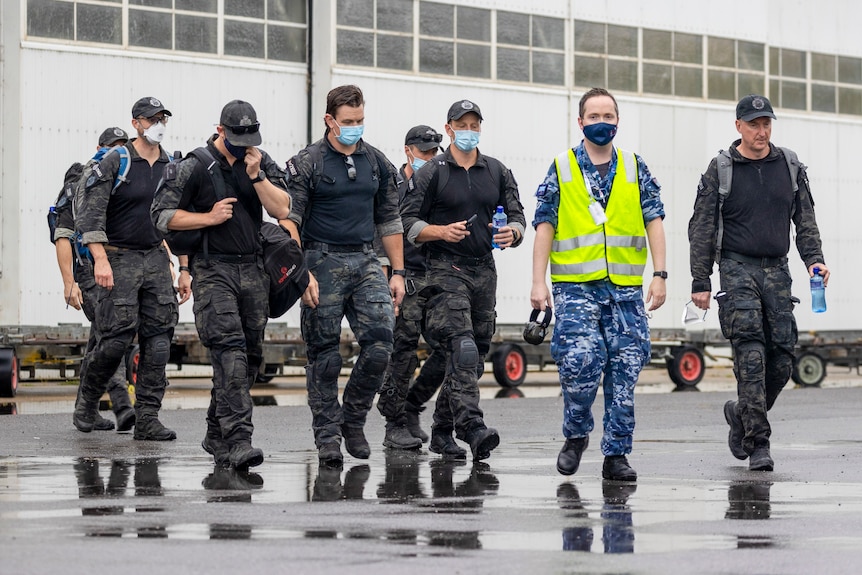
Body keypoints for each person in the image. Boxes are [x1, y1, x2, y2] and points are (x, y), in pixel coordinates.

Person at [530, 87, 667, 481]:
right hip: (575, 288)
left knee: (625, 369)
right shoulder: (562, 167)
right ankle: (576, 434)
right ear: (580, 122)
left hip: (625, 290)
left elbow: (653, 219)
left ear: (618, 121)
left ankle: (616, 456)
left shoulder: (634, 166)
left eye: (609, 115)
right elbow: (545, 226)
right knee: (580, 362)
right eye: (594, 116)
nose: (602, 122)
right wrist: (538, 283)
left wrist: (659, 275)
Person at [688, 94, 828, 472]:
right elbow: (701, 228)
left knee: (782, 359)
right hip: (736, 269)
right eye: (754, 124)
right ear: (739, 127)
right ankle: (759, 444)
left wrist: (815, 261)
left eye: (766, 123)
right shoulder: (722, 168)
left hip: (778, 271)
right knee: (750, 356)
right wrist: (700, 280)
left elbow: (805, 219)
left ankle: (741, 413)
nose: (761, 131)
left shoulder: (790, 165)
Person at [152, 100, 291, 470]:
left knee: (251, 361)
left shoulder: (259, 161)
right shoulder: (194, 166)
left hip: (253, 271)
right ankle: (238, 439)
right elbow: (161, 216)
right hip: (213, 272)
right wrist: (207, 217)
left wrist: (258, 176)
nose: (243, 143)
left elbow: (283, 209)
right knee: (229, 355)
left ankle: (215, 432)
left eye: (249, 137)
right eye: (235, 136)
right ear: (220, 129)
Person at [282, 84, 406, 467]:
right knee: (324, 356)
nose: (355, 127)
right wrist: (302, 274)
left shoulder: (376, 162)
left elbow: (389, 219)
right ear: (329, 120)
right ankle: (328, 436)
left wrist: (398, 271)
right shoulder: (308, 162)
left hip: (366, 259)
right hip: (321, 259)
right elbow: (290, 221)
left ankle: (352, 418)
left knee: (382, 344)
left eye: (360, 120)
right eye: (348, 121)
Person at [401, 99, 526, 462]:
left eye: (475, 124)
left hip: (484, 269)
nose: (469, 130)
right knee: (461, 347)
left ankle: (441, 431)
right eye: (462, 124)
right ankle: (471, 426)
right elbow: (406, 222)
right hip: (443, 269)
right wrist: (440, 231)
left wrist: (513, 233)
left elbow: (518, 214)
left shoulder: (496, 170)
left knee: (475, 354)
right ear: (449, 128)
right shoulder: (433, 171)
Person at [75, 96, 186, 441]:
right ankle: (88, 402)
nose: (159, 124)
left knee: (159, 340)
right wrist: (101, 259)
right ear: (136, 123)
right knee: (115, 338)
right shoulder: (116, 161)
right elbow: (89, 213)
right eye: (152, 119)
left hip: (154, 256)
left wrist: (183, 266)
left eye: (163, 118)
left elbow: (177, 219)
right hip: (118, 256)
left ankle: (148, 418)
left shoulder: (172, 166)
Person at [52, 127, 135, 432]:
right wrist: (69, 282)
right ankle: (123, 405)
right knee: (111, 337)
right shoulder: (81, 183)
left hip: (122, 271)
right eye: (112, 146)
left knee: (101, 341)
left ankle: (84, 410)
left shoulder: (124, 181)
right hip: (90, 272)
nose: (116, 151)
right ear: (99, 147)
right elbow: (63, 236)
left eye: (121, 146)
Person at [375, 125, 448, 450]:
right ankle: (394, 424)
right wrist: (389, 277)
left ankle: (413, 404)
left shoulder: (441, 180)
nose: (431, 157)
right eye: (425, 152)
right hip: (404, 276)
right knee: (402, 351)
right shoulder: (392, 185)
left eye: (435, 152)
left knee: (449, 347)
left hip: (437, 275)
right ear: (408, 151)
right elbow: (384, 229)